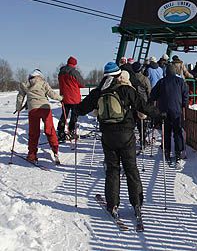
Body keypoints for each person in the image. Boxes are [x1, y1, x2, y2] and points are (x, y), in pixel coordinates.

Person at [76, 62, 159, 220]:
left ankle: (112, 204)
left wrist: (73, 110)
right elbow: (143, 107)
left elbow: (81, 108)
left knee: (112, 170)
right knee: (131, 170)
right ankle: (136, 204)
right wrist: (160, 115)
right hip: (126, 135)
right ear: (118, 75)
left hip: (108, 136)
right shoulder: (126, 90)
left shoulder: (98, 92)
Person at [15, 69, 63, 163]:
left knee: (34, 132)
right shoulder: (43, 83)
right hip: (45, 108)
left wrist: (19, 107)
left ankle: (32, 154)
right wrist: (61, 98)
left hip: (33, 109)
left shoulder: (26, 84)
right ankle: (55, 150)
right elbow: (51, 94)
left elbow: (20, 96)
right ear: (40, 76)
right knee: (50, 130)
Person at [150, 65, 188, 163]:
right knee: (177, 131)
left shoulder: (161, 82)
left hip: (164, 111)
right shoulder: (180, 81)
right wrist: (184, 105)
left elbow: (153, 95)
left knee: (166, 132)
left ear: (166, 72)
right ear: (175, 72)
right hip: (176, 110)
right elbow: (185, 94)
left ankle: (166, 151)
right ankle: (178, 153)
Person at [57, 56, 85, 143]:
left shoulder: (61, 72)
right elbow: (82, 84)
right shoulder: (74, 72)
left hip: (64, 97)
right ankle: (71, 130)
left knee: (64, 115)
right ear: (74, 64)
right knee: (74, 115)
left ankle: (61, 131)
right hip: (74, 97)